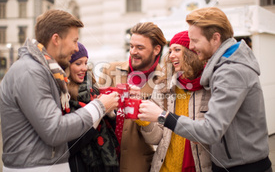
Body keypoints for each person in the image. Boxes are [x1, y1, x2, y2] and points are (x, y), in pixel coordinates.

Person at [138, 7, 272, 172]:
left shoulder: (231, 71)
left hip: (244, 167)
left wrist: (163, 116)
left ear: (215, 38)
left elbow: (210, 131)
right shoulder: (221, 68)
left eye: (194, 40)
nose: (192, 46)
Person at [0, 9, 119, 171]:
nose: (76, 48)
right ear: (56, 39)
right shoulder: (31, 71)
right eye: (74, 41)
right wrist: (99, 107)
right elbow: (55, 130)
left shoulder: (44, 70)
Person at [139, 30, 212, 172]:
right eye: (170, 51)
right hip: (165, 168)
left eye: (177, 50)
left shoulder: (210, 86)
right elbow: (154, 139)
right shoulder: (163, 87)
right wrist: (145, 120)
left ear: (192, 52)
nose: (171, 55)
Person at [98, 22, 167, 172]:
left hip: (139, 165)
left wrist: (142, 110)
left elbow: (159, 136)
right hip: (103, 161)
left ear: (156, 49)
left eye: (140, 47)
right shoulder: (110, 70)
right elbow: (94, 111)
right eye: (131, 46)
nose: (133, 52)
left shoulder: (165, 82)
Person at [66, 42, 119, 172]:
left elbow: (111, 129)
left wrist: (110, 112)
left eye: (85, 63)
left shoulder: (92, 88)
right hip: (79, 165)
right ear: (67, 67)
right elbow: (70, 144)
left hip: (103, 164)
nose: (84, 68)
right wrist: (98, 111)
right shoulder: (62, 96)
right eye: (78, 63)